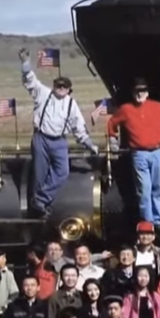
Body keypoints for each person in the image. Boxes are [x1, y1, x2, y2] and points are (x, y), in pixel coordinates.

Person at [18, 48, 97, 217]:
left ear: (69, 89)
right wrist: (25, 63)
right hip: (41, 139)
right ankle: (38, 209)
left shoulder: (71, 104)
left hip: (59, 142)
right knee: (39, 174)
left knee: (62, 172)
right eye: (58, 86)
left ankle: (40, 199)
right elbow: (30, 81)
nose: (61, 88)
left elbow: (78, 127)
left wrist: (89, 144)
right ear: (54, 86)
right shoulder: (44, 94)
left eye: (64, 87)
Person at [106, 78, 160, 230]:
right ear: (133, 93)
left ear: (147, 93)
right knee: (144, 188)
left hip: (158, 152)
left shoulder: (157, 107)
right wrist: (113, 139)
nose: (140, 94)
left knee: (158, 186)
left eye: (143, 91)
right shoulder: (126, 109)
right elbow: (112, 123)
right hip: (139, 154)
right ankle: (147, 222)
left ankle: (158, 221)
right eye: (137, 91)